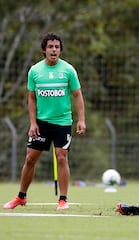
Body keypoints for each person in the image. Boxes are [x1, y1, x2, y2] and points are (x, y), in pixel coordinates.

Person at [3, 33, 86, 210]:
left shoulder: (68, 70)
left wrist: (81, 120)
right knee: (30, 159)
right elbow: (31, 98)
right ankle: (21, 197)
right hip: (41, 123)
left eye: (57, 47)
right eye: (50, 47)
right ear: (44, 49)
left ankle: (63, 200)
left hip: (63, 122)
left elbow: (78, 95)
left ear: (60, 50)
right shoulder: (34, 71)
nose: (54, 50)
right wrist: (33, 123)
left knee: (61, 158)